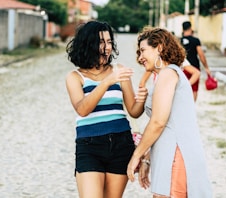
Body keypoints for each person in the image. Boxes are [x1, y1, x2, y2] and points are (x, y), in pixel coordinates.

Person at [65, 21, 148, 198]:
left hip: (121, 143)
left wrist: (141, 100)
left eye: (109, 42)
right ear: (88, 44)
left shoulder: (119, 71)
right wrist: (108, 81)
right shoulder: (75, 77)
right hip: (89, 145)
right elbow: (82, 109)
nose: (107, 47)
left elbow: (133, 111)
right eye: (101, 42)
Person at [127, 27, 212, 198]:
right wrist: (147, 158)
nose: (140, 57)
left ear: (159, 47)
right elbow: (170, 125)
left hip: (176, 155)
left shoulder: (168, 74)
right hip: (167, 152)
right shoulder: (168, 74)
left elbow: (158, 122)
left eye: (143, 50)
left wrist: (136, 156)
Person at [181, 21, 212, 101]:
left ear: (183, 29)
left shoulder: (179, 41)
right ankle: (191, 107)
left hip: (183, 68)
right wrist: (206, 67)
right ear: (190, 28)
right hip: (194, 68)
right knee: (194, 89)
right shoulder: (195, 40)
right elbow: (201, 55)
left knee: (182, 88)